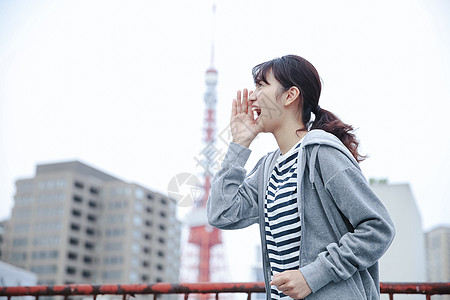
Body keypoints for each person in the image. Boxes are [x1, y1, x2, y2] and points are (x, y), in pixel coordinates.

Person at [207, 55, 395, 300]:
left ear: (290, 95)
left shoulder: (322, 152)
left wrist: (312, 276)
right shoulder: (267, 169)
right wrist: (239, 144)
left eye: (262, 85)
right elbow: (221, 213)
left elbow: (378, 228)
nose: (252, 96)